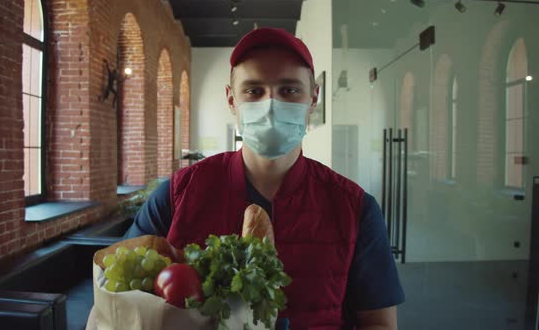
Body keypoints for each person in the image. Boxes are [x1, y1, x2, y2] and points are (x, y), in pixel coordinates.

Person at [125, 27, 404, 330]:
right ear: (232, 100)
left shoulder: (355, 208)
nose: (271, 105)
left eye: (289, 90)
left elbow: (379, 323)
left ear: (314, 98)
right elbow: (120, 296)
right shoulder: (178, 195)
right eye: (254, 91)